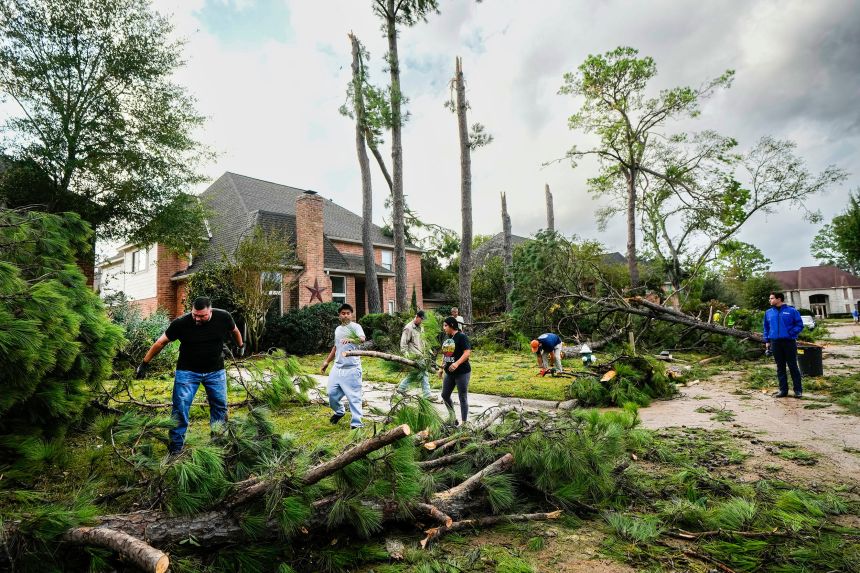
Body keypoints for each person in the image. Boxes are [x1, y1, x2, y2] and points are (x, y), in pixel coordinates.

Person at [136, 297, 243, 455]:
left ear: (210, 311)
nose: (197, 319)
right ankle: (176, 449)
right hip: (187, 373)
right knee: (180, 409)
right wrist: (144, 364)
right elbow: (160, 342)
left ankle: (218, 444)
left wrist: (241, 345)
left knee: (220, 407)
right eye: (195, 315)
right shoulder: (181, 323)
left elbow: (234, 330)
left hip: (215, 372)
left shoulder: (223, 317)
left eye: (202, 316)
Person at [320, 303, 367, 429]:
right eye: (343, 313)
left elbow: (362, 339)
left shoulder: (356, 327)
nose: (346, 315)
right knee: (331, 393)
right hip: (338, 368)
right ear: (339, 315)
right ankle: (339, 411)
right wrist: (326, 362)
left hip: (352, 368)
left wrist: (351, 339)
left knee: (354, 397)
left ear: (351, 315)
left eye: (348, 313)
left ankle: (357, 424)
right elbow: (336, 348)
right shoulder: (337, 330)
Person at [763, 292, 804, 398]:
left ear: (779, 299)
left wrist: (790, 333)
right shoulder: (768, 312)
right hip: (775, 342)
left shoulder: (792, 311)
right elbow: (766, 328)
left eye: (771, 298)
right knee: (780, 367)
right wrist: (767, 341)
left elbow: (799, 325)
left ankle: (798, 391)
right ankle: (783, 391)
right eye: (770, 298)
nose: (770, 300)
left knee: (793, 366)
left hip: (789, 342)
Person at [396, 311, 438, 400]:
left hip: (422, 354)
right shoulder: (408, 328)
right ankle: (427, 395)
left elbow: (423, 340)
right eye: (422, 319)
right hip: (414, 355)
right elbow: (403, 344)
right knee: (424, 373)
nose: (422, 321)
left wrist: (429, 351)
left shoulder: (421, 327)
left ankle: (401, 388)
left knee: (415, 374)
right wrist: (407, 357)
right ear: (417, 317)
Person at [439, 316, 471, 425]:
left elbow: (467, 353)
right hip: (449, 373)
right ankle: (453, 418)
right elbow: (446, 354)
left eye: (445, 325)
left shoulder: (461, 337)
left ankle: (464, 423)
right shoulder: (448, 338)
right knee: (445, 395)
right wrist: (441, 368)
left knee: (462, 396)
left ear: (452, 325)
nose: (444, 328)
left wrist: (457, 363)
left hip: (462, 372)